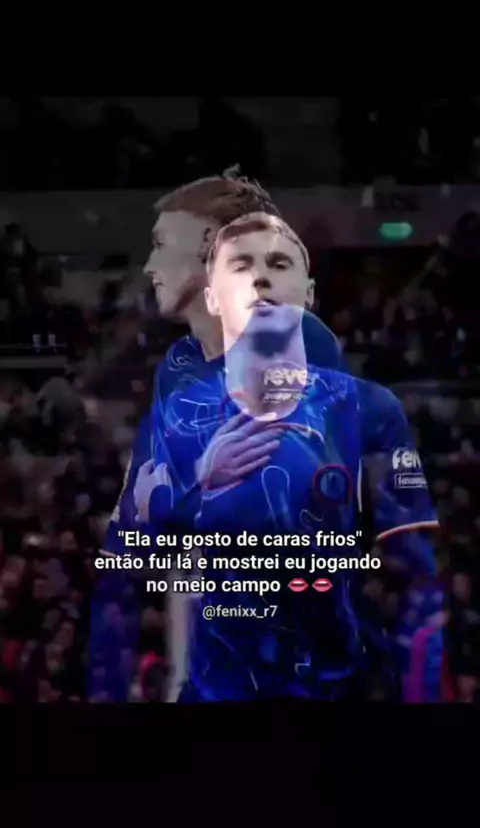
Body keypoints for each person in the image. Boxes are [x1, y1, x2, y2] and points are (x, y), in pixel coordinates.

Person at [145, 212, 444, 702]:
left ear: (308, 294)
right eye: (242, 265)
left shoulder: (370, 408)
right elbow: (176, 565)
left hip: (339, 683)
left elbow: (412, 565)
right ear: (213, 297)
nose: (261, 278)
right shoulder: (180, 415)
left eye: (279, 264)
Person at [88, 170, 343, 701]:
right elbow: (136, 535)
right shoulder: (176, 368)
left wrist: (180, 499)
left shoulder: (297, 343)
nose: (150, 266)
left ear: (210, 247)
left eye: (162, 245)